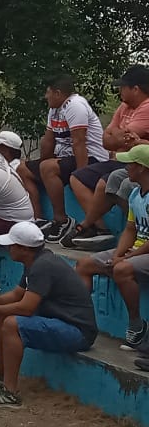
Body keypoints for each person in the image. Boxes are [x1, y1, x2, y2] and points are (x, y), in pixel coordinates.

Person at [0, 221, 97, 408]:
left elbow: (26, 308)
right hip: (59, 322)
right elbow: (17, 295)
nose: (8, 249)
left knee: (12, 324)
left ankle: (10, 393)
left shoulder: (43, 266)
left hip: (77, 332)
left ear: (24, 249)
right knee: (3, 314)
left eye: (12, 245)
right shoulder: (35, 261)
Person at [65, 65, 149, 249]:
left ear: (135, 89)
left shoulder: (147, 107)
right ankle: (100, 229)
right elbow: (107, 140)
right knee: (77, 177)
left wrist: (117, 136)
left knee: (111, 182)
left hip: (135, 162)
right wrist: (117, 137)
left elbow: (121, 138)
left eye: (123, 87)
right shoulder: (124, 106)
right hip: (120, 159)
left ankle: (136, 233)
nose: (119, 91)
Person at [17, 76, 108, 243]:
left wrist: (82, 174)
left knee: (48, 168)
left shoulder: (75, 105)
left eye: (48, 92)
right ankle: (38, 220)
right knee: (22, 169)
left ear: (58, 93)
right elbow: (48, 141)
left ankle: (62, 220)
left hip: (91, 158)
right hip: (66, 158)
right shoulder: (54, 110)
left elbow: (79, 142)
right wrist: (41, 162)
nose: (46, 96)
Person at [75, 144, 149, 349]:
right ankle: (82, 321)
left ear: (141, 167)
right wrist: (118, 253)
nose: (126, 168)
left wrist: (125, 258)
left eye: (130, 164)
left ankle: (136, 325)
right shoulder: (135, 194)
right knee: (83, 265)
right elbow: (130, 229)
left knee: (122, 269)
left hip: (142, 253)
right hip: (136, 250)